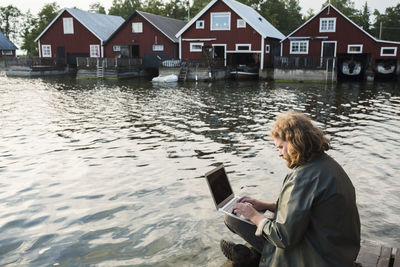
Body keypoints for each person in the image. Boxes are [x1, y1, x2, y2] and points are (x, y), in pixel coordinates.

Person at [220, 110, 361, 267]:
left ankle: (252, 258)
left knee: (232, 219)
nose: (279, 154)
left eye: (280, 147)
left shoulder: (303, 177)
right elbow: (307, 209)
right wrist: (266, 206)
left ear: (295, 142)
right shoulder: (327, 165)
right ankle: (252, 256)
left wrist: (254, 215)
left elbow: (283, 237)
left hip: (318, 258)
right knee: (256, 221)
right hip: (338, 253)